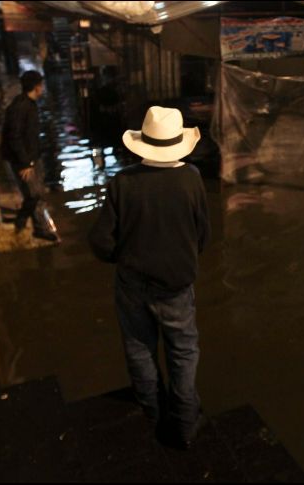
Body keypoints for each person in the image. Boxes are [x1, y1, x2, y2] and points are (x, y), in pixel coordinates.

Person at [88, 106, 210, 450]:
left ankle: (153, 413)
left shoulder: (123, 182)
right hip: (175, 285)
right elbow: (203, 235)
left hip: (132, 283)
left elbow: (100, 241)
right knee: (183, 351)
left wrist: (121, 257)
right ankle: (185, 423)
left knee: (139, 348)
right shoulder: (192, 179)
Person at [1, 70, 59, 242]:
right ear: (36, 87)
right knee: (34, 195)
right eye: (41, 85)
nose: (42, 88)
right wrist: (25, 163)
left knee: (37, 193)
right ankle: (24, 222)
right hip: (24, 159)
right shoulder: (21, 107)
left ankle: (38, 226)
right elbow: (14, 136)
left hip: (32, 156)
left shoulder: (29, 104)